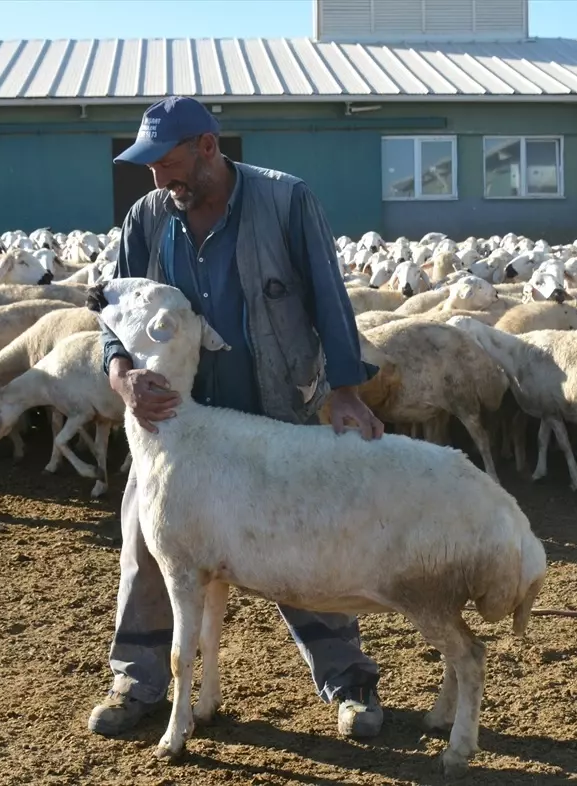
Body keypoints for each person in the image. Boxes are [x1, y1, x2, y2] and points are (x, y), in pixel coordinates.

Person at [88, 95, 388, 741]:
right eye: (148, 167)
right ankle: (137, 681)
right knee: (146, 539)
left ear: (206, 147)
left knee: (301, 542)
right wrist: (121, 375)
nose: (157, 179)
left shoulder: (285, 201)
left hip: (272, 408)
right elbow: (114, 314)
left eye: (166, 162)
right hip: (175, 425)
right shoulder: (146, 217)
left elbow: (329, 295)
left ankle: (350, 683)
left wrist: (345, 389)